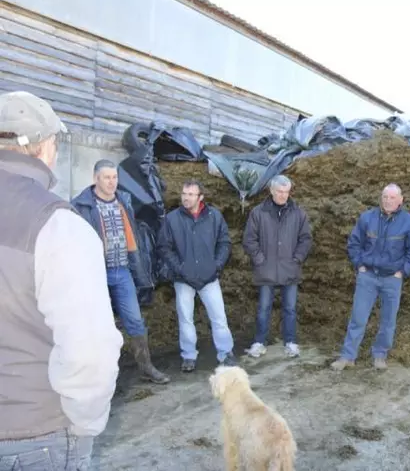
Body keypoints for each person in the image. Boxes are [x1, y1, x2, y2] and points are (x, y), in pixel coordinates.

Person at [0, 91, 123, 468]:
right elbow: (89, 351)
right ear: (46, 147)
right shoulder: (58, 225)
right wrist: (85, 421)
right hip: (34, 435)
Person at [71, 159, 170, 384]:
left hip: (122, 270)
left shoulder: (124, 201)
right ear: (96, 178)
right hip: (97, 274)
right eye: (107, 177)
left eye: (114, 177)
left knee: (135, 320)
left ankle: (146, 367)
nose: (112, 182)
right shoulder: (81, 205)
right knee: (98, 325)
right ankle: (98, 376)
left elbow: (132, 238)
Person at [331, 183, 410, 371]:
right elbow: (354, 243)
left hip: (392, 279)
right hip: (368, 277)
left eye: (392, 197)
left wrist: (403, 272)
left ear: (401, 200)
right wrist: (360, 265)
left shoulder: (409, 222)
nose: (388, 201)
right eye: (385, 197)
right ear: (381, 199)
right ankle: (348, 356)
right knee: (358, 317)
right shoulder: (367, 218)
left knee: (388, 320)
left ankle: (380, 355)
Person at [157, 179, 236, 372]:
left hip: (209, 278)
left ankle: (225, 353)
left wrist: (216, 265)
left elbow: (224, 243)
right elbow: (164, 248)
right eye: (184, 194)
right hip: (183, 279)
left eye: (190, 194)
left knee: (218, 317)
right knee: (185, 319)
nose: (185, 198)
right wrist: (180, 268)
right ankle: (189, 356)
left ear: (200, 197)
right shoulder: (172, 219)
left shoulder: (214, 217)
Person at [242, 175, 312, 358]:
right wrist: (259, 260)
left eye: (286, 192)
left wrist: (297, 258)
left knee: (290, 308)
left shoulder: (298, 214)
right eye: (280, 192)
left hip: (290, 269)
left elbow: (305, 239)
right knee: (264, 307)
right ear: (271, 191)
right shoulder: (258, 213)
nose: (283, 195)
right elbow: (249, 239)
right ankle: (259, 342)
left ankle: (290, 341)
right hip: (266, 270)